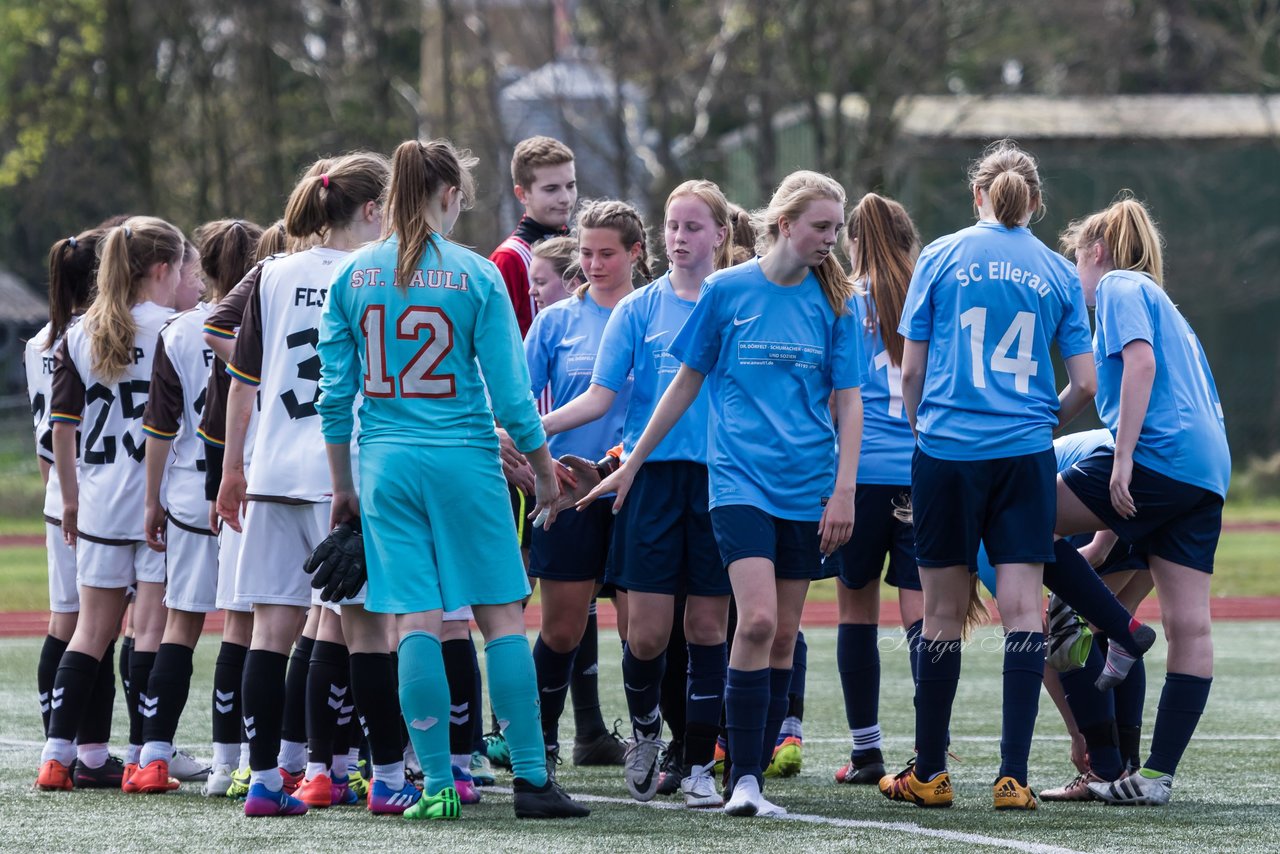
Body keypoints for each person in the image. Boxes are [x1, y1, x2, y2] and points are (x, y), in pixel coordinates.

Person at [317, 137, 589, 820]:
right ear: (447, 195)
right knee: (499, 619)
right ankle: (531, 779)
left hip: (384, 462)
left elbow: (334, 396)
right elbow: (511, 391)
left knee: (413, 621)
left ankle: (435, 785)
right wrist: (544, 468)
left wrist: (342, 484)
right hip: (462, 456)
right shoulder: (474, 273)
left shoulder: (354, 275)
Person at [581, 170, 865, 818]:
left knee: (784, 636)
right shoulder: (728, 292)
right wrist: (632, 462)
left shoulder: (837, 301)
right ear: (786, 224)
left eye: (836, 228)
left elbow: (849, 405)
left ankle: (749, 777)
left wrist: (843, 489)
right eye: (821, 226)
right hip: (735, 482)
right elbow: (683, 385)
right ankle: (736, 777)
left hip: (806, 486)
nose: (831, 239)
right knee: (755, 619)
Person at [880, 141, 1097, 811]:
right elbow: (1085, 383)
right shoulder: (1059, 272)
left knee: (943, 615)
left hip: (946, 451)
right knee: (1024, 610)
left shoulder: (941, 256)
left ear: (979, 195)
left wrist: (923, 426)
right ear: (1035, 202)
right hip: (1024, 455)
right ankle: (1013, 779)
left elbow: (910, 372)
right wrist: (1037, 419)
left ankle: (932, 775)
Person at [216, 152, 402, 817]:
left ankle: (264, 783)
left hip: (271, 473)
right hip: (344, 477)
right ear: (372, 210)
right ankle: (385, 779)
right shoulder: (375, 273)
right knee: (367, 636)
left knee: (270, 633)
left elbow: (242, 384)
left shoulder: (270, 272)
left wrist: (233, 469)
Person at [542, 180, 734, 807]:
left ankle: (700, 764)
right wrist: (530, 428)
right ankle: (648, 732)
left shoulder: (739, 301)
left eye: (693, 227)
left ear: (721, 235)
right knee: (646, 635)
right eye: (673, 226)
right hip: (647, 479)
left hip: (722, 483)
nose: (680, 238)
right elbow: (600, 398)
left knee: (708, 628)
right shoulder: (637, 309)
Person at [1056, 196, 1229, 806]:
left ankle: (1122, 634)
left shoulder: (1121, 286)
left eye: (1075, 261)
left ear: (1095, 253)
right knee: (1191, 627)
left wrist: (1124, 456)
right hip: (1205, 474)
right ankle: (1154, 777)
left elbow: (1140, 365)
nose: (1076, 277)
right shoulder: (1167, 305)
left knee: (1016, 517)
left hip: (1159, 457)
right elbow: (1115, 384)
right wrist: (1107, 533)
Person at [36, 216, 184, 792]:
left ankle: (55, 757)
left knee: (89, 633)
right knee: (148, 629)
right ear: (161, 269)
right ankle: (144, 760)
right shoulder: (176, 328)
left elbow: (62, 428)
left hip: (97, 501)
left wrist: (69, 499)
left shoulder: (77, 332)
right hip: (156, 499)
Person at [133, 220, 262, 796]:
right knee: (255, 626)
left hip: (189, 486)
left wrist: (152, 498)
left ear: (202, 269)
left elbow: (159, 426)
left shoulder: (179, 329)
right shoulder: (271, 314)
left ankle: (154, 753)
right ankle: (240, 760)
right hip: (256, 482)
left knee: (180, 624)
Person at [525, 199, 646, 777]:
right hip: (572, 490)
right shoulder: (555, 322)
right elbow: (521, 406)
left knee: (643, 631)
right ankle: (540, 741)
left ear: (635, 254)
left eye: (607, 254)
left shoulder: (658, 311)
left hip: (641, 489)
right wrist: (536, 467)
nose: (594, 265)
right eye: (587, 253)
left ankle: (659, 744)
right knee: (564, 626)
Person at [830, 193, 927, 786]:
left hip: (858, 476)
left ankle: (867, 753)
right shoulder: (931, 294)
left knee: (855, 609)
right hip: (921, 472)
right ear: (908, 238)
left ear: (853, 242)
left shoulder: (843, 302)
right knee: (924, 615)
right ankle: (928, 753)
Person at [25, 225, 127, 789]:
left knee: (72, 623)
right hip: (95, 495)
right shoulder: (98, 336)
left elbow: (47, 438)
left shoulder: (40, 340)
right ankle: (84, 751)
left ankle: (64, 744)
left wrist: (58, 496)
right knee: (91, 626)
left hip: (62, 494)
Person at [491, 135, 578, 336]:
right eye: (551, 189)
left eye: (570, 186)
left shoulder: (585, 250)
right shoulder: (508, 259)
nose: (565, 198)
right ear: (522, 194)